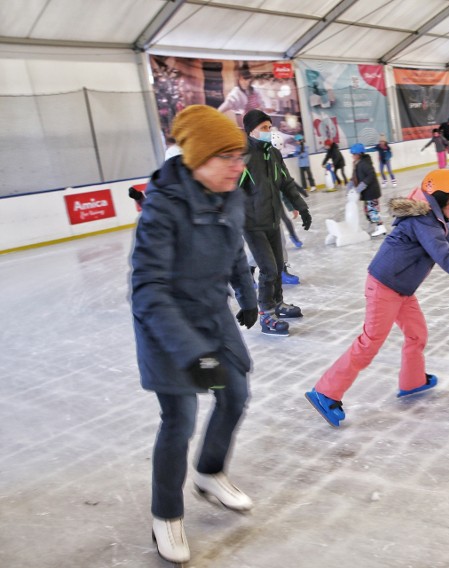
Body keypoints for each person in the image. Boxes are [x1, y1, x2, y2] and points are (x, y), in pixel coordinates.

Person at [130, 105, 258, 564]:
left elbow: (235, 247)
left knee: (236, 393)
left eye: (239, 155)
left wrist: (247, 295)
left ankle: (209, 472)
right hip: (167, 326)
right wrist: (191, 354)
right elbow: (147, 290)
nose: (237, 165)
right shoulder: (163, 208)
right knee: (179, 420)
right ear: (198, 158)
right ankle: (166, 515)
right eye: (226, 156)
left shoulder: (229, 193)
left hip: (213, 313)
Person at [304, 169, 449, 427]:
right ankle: (325, 392)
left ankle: (413, 381)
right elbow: (446, 257)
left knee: (417, 334)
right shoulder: (423, 222)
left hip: (402, 289)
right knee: (369, 343)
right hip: (384, 287)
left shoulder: (432, 220)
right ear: (441, 198)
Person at [240, 109, 310, 335]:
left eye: (270, 127)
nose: (269, 132)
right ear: (251, 130)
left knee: (278, 266)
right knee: (268, 269)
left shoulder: (273, 154)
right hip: (252, 224)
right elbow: (232, 191)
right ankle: (266, 314)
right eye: (264, 128)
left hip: (271, 220)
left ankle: (278, 303)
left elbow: (287, 183)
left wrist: (301, 206)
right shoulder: (243, 156)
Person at [348, 143, 386, 237]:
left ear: (359, 154)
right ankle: (373, 224)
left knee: (373, 210)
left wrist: (362, 184)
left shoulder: (365, 163)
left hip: (371, 191)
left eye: (354, 154)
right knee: (367, 210)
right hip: (366, 192)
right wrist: (351, 184)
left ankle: (381, 227)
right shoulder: (357, 163)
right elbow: (355, 176)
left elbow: (371, 175)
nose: (353, 156)